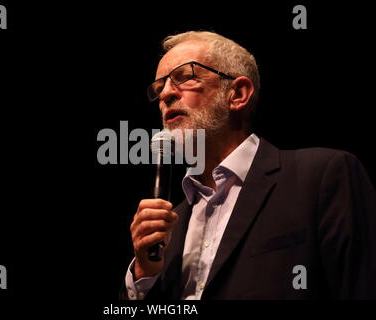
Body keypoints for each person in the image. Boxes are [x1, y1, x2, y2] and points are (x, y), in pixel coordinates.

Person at [121, 31, 376, 300]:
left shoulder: (321, 177)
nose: (167, 94)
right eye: (160, 87)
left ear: (238, 94)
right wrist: (144, 273)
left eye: (185, 77)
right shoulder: (170, 224)